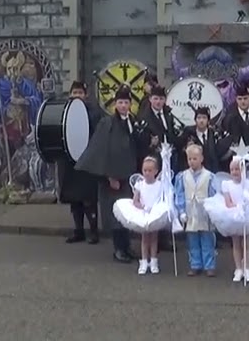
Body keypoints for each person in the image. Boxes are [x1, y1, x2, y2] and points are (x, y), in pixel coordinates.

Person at [75, 87, 145, 263]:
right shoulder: (107, 123)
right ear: (115, 104)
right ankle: (118, 249)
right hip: (113, 178)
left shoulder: (132, 121)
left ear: (130, 104)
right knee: (115, 214)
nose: (123, 106)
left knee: (128, 213)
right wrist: (109, 176)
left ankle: (127, 246)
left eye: (126, 102)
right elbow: (100, 151)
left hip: (129, 175)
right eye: (120, 102)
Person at [203, 152, 249, 283]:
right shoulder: (227, 184)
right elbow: (228, 203)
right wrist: (237, 206)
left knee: (246, 243)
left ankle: (247, 268)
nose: (234, 172)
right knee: (236, 243)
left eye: (237, 169)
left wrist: (248, 202)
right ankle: (238, 268)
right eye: (232, 169)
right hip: (234, 215)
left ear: (243, 170)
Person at [59, 80, 104, 245]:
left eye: (80, 93)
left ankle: (93, 232)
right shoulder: (65, 110)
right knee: (74, 200)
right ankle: (78, 231)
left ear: (85, 95)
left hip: (87, 161)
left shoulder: (94, 111)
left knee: (89, 200)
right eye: (74, 93)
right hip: (70, 162)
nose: (77, 96)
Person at [112, 156, 171, 275]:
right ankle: (144, 261)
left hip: (155, 213)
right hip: (143, 213)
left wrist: (156, 208)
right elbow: (135, 201)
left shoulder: (159, 185)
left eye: (150, 171)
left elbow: (162, 199)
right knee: (144, 238)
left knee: (154, 238)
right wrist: (142, 207)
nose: (147, 173)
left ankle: (154, 261)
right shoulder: (140, 185)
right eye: (145, 170)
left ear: (155, 171)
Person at [173, 144, 219, 277]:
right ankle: (195, 264)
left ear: (201, 158)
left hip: (204, 212)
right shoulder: (182, 176)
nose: (192, 161)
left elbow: (213, 194)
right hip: (190, 211)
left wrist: (212, 209)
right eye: (189, 159)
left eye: (195, 158)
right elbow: (179, 193)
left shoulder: (209, 176)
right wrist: (181, 210)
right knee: (192, 239)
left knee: (207, 239)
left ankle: (209, 265)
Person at [139, 86, 183, 155]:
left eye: (161, 99)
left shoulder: (168, 114)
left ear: (165, 100)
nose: (158, 102)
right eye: (155, 99)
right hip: (154, 155)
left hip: (170, 154)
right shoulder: (144, 118)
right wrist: (151, 143)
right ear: (150, 99)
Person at [179, 106, 222, 174]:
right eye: (199, 118)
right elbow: (180, 149)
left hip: (211, 171)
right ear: (195, 120)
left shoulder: (214, 133)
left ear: (208, 120)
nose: (201, 120)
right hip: (192, 172)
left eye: (204, 118)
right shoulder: (188, 133)